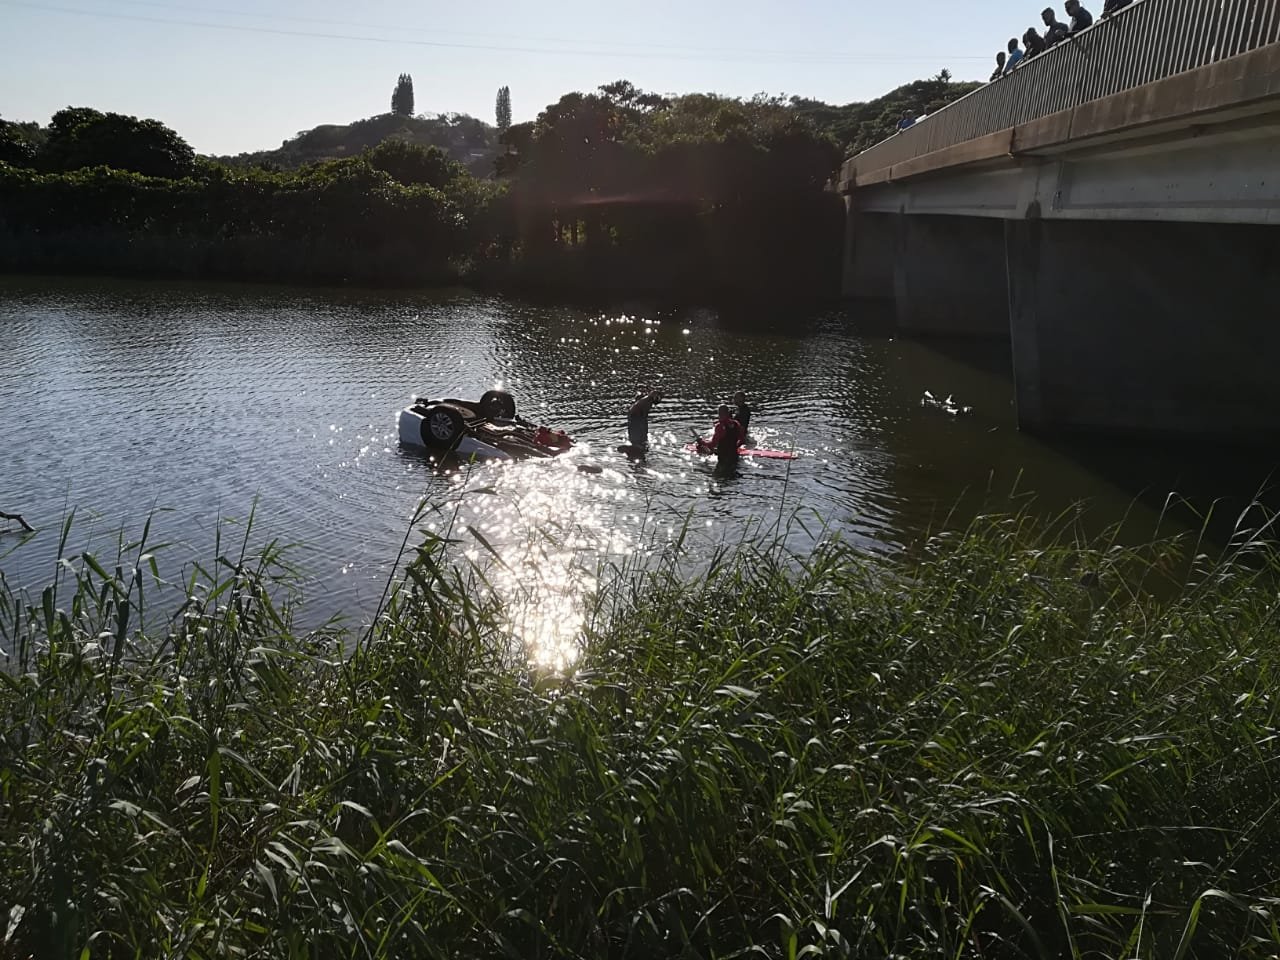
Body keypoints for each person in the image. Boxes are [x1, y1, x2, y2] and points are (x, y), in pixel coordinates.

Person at [626, 388, 662, 452]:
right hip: (635, 415)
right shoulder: (648, 401)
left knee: (635, 431)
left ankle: (635, 443)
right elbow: (644, 416)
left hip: (633, 414)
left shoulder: (646, 399)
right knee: (639, 431)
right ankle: (638, 445)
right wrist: (645, 429)